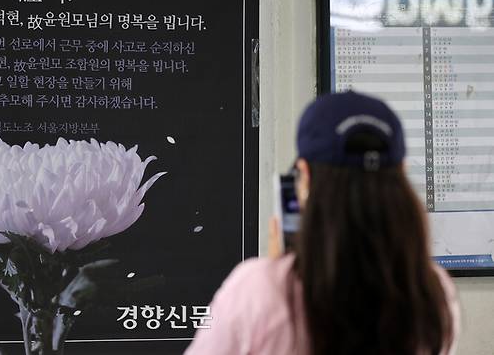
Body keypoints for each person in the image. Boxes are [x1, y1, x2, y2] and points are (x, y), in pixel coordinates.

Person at [184, 91, 459, 355]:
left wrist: (275, 276)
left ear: (304, 176)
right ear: (401, 173)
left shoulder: (257, 290)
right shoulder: (432, 293)